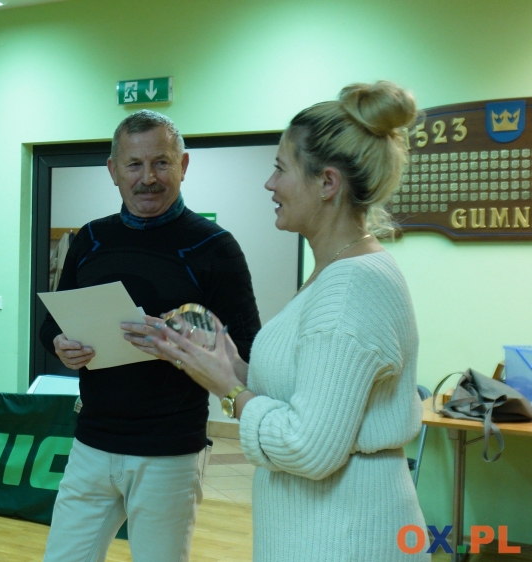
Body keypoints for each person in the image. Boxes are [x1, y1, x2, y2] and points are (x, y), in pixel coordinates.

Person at [132, 82, 430, 561]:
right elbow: (307, 395)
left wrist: (228, 387)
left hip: (345, 539)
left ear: (327, 183)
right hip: (321, 532)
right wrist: (227, 360)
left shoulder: (351, 286)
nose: (270, 184)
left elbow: (306, 446)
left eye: (280, 168)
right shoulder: (337, 272)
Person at [39, 110, 261, 562]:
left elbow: (248, 352)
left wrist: (181, 346)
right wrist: (61, 346)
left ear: (183, 165)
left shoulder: (214, 247)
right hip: (91, 443)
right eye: (134, 165)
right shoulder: (90, 239)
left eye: (161, 163)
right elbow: (52, 327)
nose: (148, 178)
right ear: (113, 170)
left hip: (169, 452)